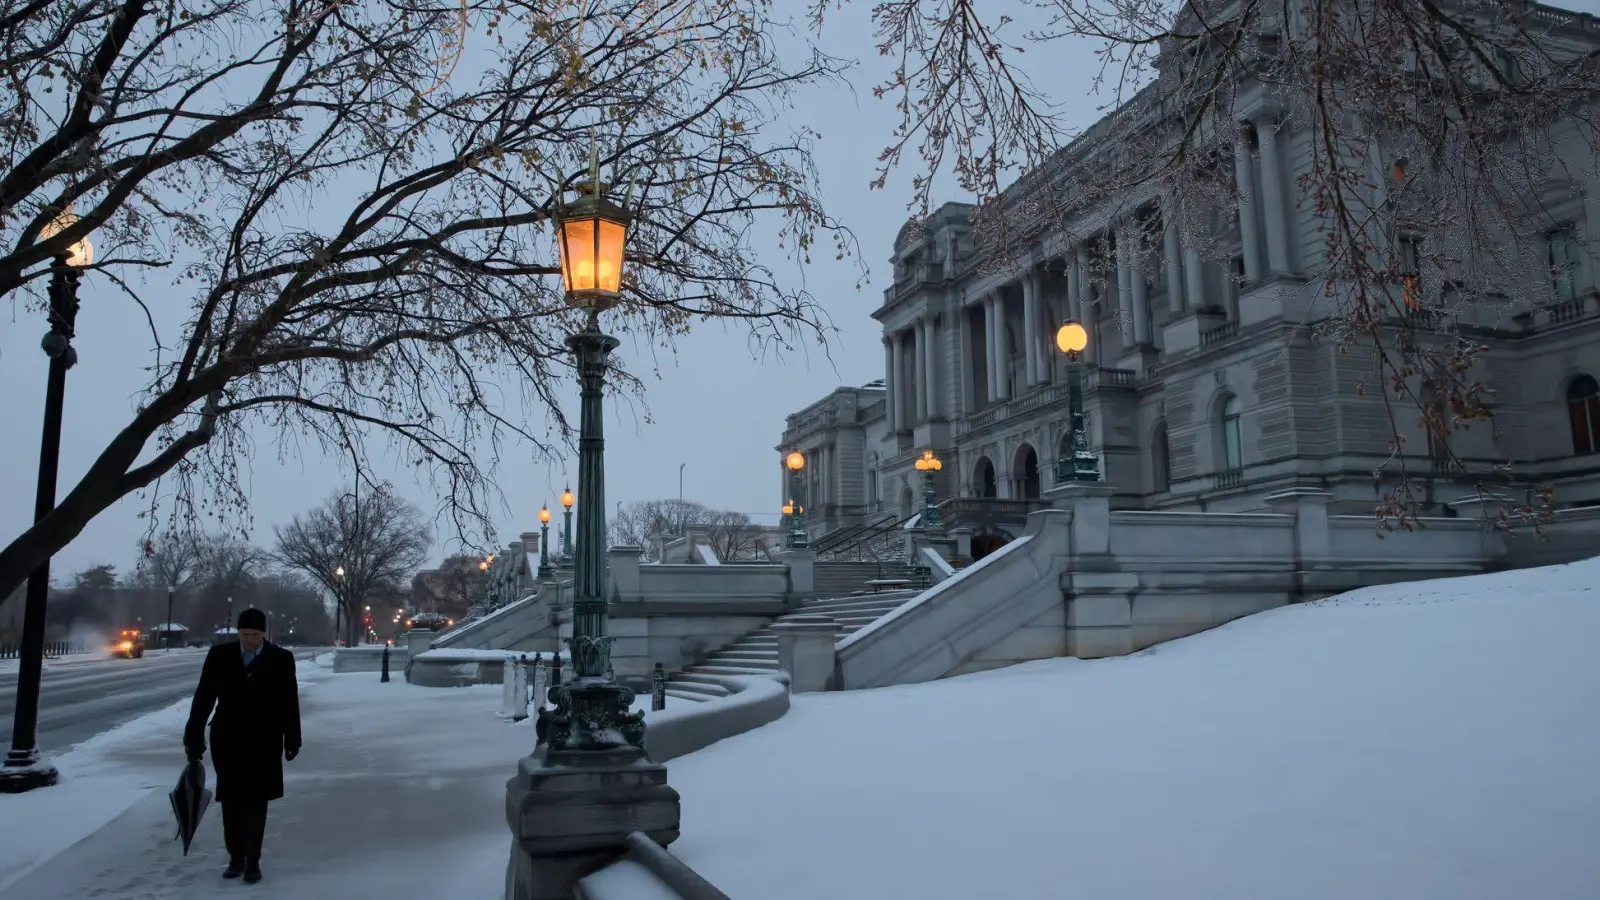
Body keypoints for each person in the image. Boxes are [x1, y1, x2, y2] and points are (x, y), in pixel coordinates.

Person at [184, 608, 301, 883]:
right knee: (231, 800)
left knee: (257, 802)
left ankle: (253, 861)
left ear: (264, 634)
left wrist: (292, 738)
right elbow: (203, 697)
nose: (249, 640)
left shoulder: (281, 659)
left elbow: (289, 701)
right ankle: (235, 857)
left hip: (265, 739)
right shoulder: (220, 656)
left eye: (255, 635)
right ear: (238, 633)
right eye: (245, 635)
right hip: (228, 738)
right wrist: (194, 736)